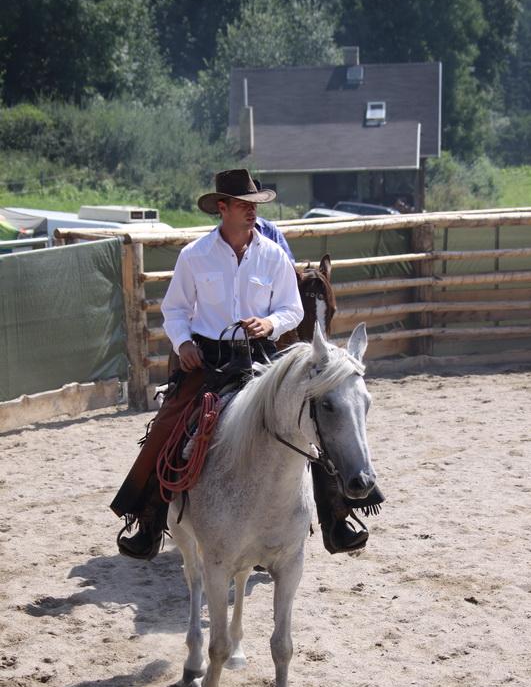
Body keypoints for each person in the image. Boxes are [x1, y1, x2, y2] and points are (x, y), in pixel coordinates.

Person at [111, 168, 375, 560]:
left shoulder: (273, 255)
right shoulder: (194, 256)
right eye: (243, 205)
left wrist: (270, 323)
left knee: (310, 418)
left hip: (261, 358)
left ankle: (337, 516)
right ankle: (149, 519)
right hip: (207, 358)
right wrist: (183, 344)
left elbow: (291, 308)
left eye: (255, 205)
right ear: (222, 208)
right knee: (168, 425)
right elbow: (175, 310)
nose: (252, 211)